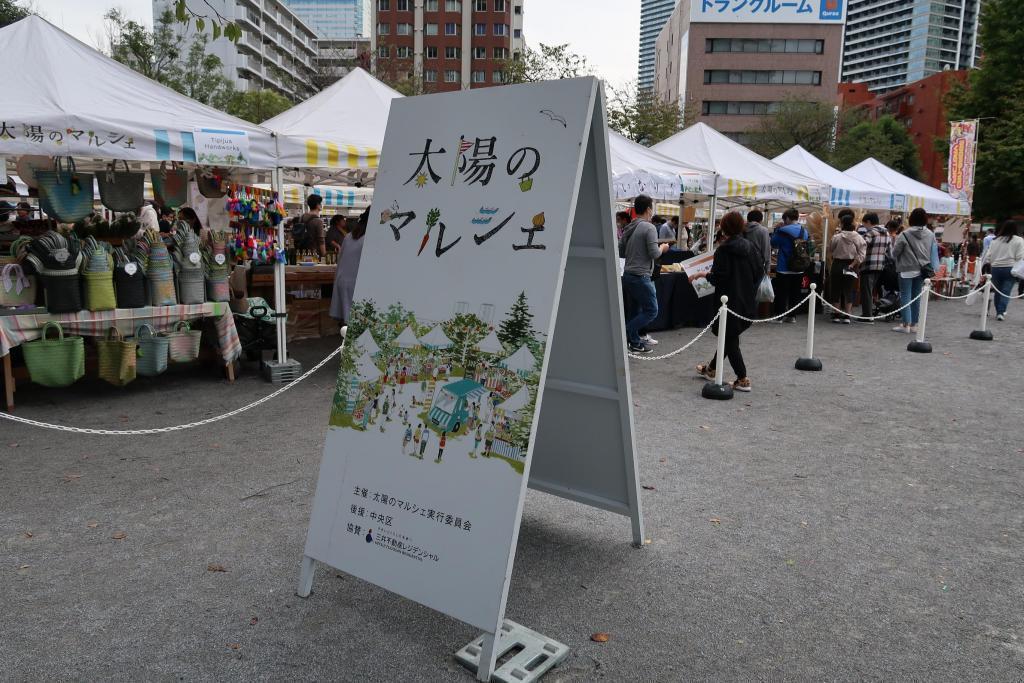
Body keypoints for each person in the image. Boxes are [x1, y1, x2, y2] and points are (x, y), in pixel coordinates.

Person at [692, 211, 762, 392]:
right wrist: (748, 289)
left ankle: (743, 378)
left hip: (727, 301)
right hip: (746, 300)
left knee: (730, 337)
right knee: (729, 335)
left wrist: (703, 274)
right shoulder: (751, 247)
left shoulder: (723, 249)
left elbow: (719, 278)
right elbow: (759, 273)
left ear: (724, 228)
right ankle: (712, 369)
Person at [619, 194, 670, 353]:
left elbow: (621, 251)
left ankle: (634, 342)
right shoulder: (649, 227)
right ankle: (626, 332)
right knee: (651, 310)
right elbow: (655, 254)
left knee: (635, 309)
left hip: (627, 274)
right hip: (641, 275)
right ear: (648, 209)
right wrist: (663, 248)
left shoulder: (629, 226)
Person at [891, 208, 939, 333]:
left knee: (905, 295)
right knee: (916, 297)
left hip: (906, 269)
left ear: (911, 219)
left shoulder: (904, 234)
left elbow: (895, 253)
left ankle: (905, 324)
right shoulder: (930, 234)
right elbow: (933, 252)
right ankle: (914, 324)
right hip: (922, 270)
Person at [769, 208, 810, 323]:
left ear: (786, 218)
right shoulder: (804, 231)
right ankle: (792, 316)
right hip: (799, 267)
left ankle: (779, 316)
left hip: (784, 267)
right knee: (795, 293)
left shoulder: (782, 230)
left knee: (782, 292)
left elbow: (773, 243)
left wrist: (777, 229)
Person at [329, 209, 368, 325]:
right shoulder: (370, 238)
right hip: (355, 284)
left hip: (344, 282)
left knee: (349, 324)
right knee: (356, 326)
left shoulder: (350, 236)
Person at [981, 220, 1024, 321]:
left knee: (998, 291)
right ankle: (1001, 312)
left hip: (995, 269)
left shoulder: (995, 240)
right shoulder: (1019, 240)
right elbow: (1020, 256)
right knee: (1006, 291)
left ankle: (998, 311)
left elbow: (988, 257)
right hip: (1010, 269)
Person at [829, 214, 867, 324]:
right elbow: (862, 253)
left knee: (835, 289)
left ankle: (836, 314)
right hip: (851, 265)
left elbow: (831, 248)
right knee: (849, 289)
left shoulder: (837, 236)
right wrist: (854, 263)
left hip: (837, 264)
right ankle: (847, 315)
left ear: (841, 223)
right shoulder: (858, 237)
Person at [859, 212, 891, 320]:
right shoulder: (887, 233)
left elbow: (862, 245)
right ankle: (870, 313)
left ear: (868, 222)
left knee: (866, 291)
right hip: (880, 265)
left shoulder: (871, 233)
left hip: (868, 265)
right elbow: (889, 252)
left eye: (864, 224)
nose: (864, 227)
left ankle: (867, 315)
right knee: (873, 290)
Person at [743, 209, 771, 274]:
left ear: (748, 219)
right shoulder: (763, 230)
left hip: (742, 263)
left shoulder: (742, 229)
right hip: (757, 264)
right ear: (761, 220)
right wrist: (767, 268)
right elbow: (766, 250)